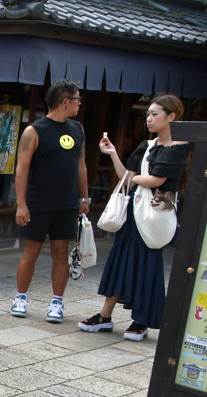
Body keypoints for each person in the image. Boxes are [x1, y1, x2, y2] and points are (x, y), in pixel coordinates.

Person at [79, 94, 190, 342]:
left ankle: (141, 320)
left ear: (171, 116)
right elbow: (125, 176)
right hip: (135, 210)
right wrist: (112, 153)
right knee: (120, 258)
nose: (149, 119)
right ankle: (105, 316)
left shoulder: (179, 148)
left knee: (147, 261)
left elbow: (156, 180)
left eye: (154, 114)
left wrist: (135, 180)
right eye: (147, 114)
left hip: (153, 214)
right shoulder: (147, 146)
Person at [12, 79, 90, 323]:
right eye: (77, 98)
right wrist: (21, 203)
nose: (79, 103)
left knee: (60, 251)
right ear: (65, 101)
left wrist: (84, 197)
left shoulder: (78, 129)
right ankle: (20, 297)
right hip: (38, 201)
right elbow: (21, 169)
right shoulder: (34, 131)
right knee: (32, 251)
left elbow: (81, 165)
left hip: (66, 202)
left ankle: (57, 302)